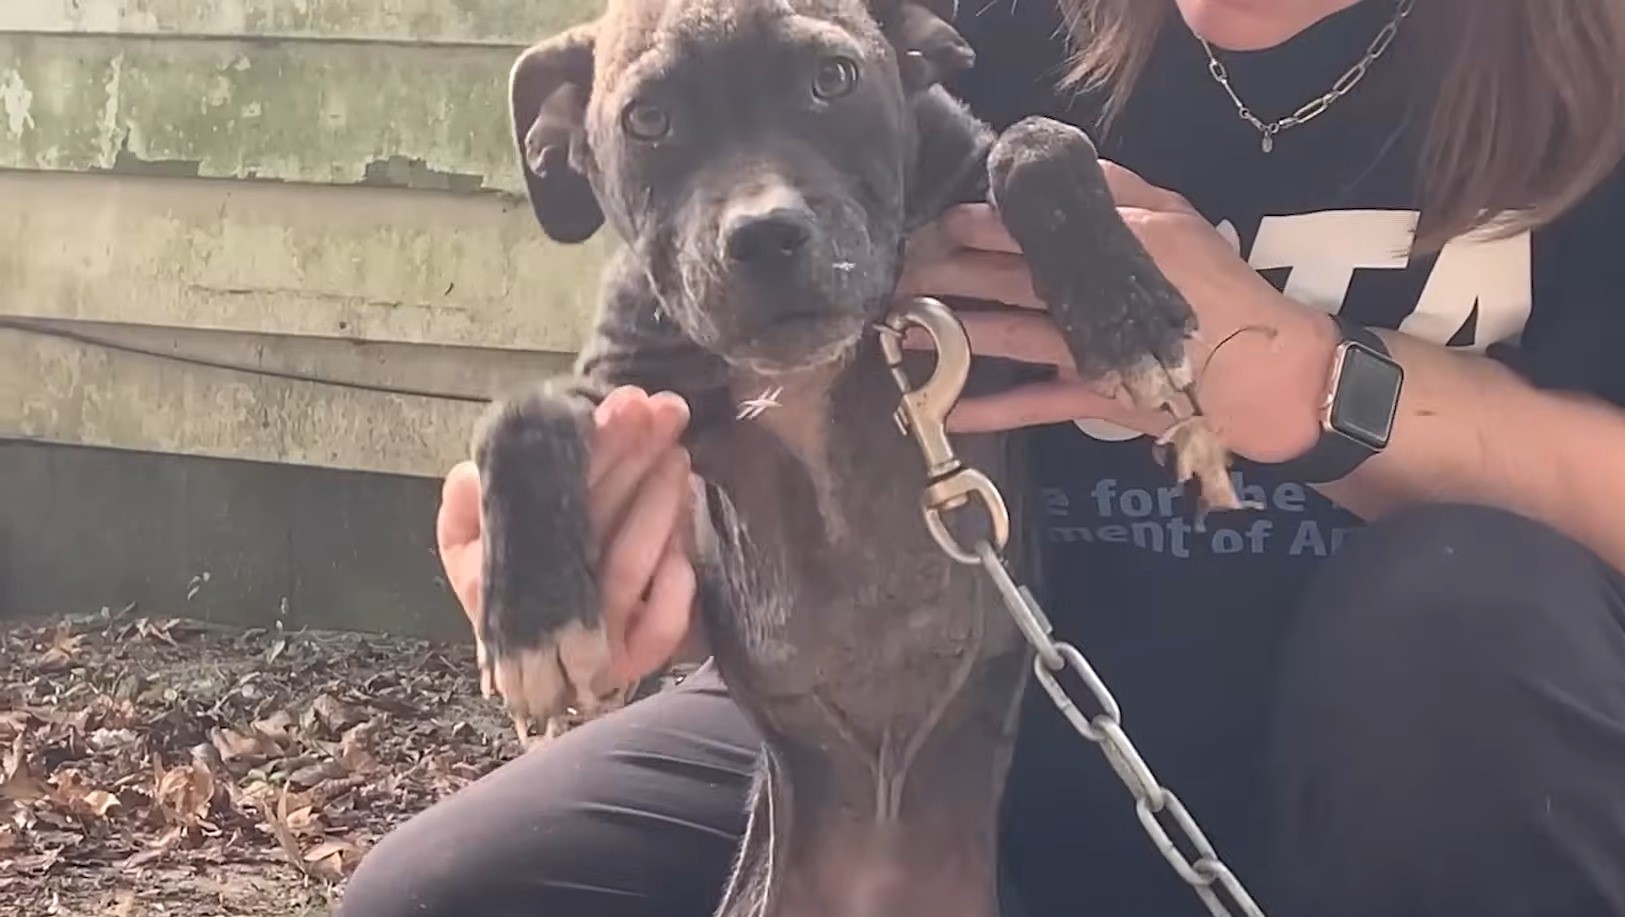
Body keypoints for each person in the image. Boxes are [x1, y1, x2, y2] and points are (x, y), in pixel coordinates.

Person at [339, 0, 1625, 914]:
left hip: (1429, 763)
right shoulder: (987, 39)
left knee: (1462, 620)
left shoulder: (1587, 62)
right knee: (443, 894)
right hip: (984, 717)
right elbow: (750, 365)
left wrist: (1316, 384)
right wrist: (624, 549)